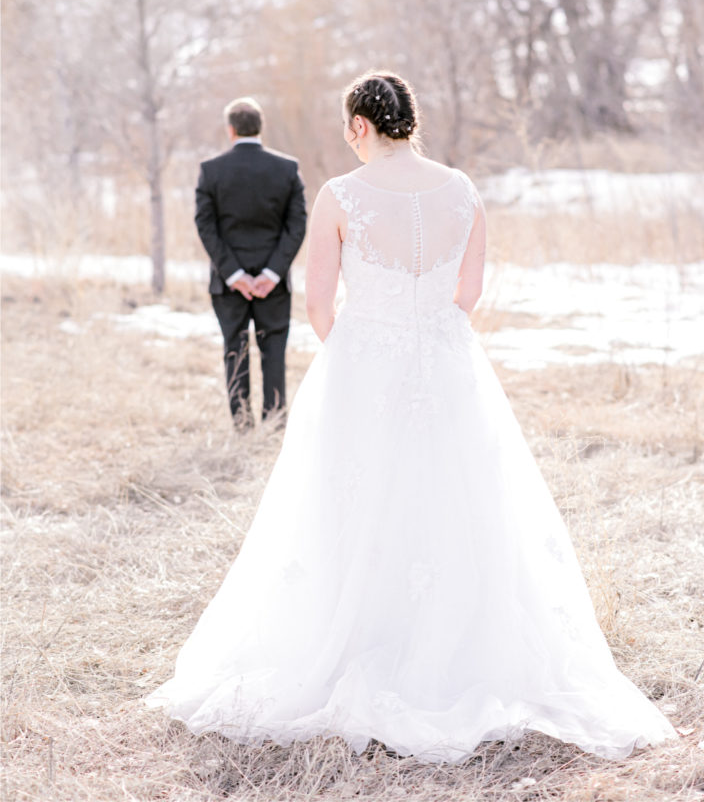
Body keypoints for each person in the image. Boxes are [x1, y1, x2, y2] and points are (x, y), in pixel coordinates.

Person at [148, 73, 675, 761]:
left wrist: (361, 354)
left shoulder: (341, 196)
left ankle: (365, 636)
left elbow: (316, 305)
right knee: (462, 500)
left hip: (364, 366)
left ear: (360, 126)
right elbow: (468, 292)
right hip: (450, 364)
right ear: (409, 121)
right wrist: (426, 339)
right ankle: (459, 645)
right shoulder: (461, 190)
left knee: (351, 503)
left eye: (347, 127)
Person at [194, 96, 306, 426]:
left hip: (229, 284)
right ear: (261, 127)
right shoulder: (287, 169)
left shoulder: (211, 170)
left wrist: (233, 274)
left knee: (234, 351)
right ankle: (273, 423)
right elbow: (297, 224)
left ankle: (242, 426)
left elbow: (205, 225)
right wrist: (272, 272)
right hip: (274, 282)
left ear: (231, 130)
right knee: (274, 354)